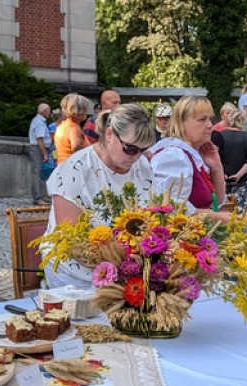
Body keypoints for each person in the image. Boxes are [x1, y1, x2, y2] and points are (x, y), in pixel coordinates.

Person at [44, 104, 156, 288]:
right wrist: (127, 262)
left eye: (143, 150)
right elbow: (73, 243)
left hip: (129, 269)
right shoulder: (74, 170)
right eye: (130, 148)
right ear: (110, 134)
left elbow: (154, 215)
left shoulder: (141, 165)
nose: (136, 157)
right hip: (75, 275)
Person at [151, 96, 231, 219]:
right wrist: (216, 217)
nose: (210, 125)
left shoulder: (193, 154)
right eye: (202, 119)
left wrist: (216, 166)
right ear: (181, 123)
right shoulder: (174, 155)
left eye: (210, 119)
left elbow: (218, 202)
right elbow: (169, 209)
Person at [211, 109, 247, 208]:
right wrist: (238, 175)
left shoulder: (220, 135)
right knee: (238, 211)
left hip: (222, 179)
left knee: (221, 208)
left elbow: (214, 156)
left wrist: (222, 174)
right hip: (241, 180)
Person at [53, 93, 91, 164]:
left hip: (62, 165)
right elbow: (75, 146)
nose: (87, 111)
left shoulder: (61, 126)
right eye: (85, 108)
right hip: (73, 167)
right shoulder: (74, 127)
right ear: (79, 110)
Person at [28, 102, 53, 205]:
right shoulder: (39, 122)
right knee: (38, 173)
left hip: (39, 148)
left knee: (41, 173)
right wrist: (45, 154)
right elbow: (39, 139)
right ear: (44, 111)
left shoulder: (40, 121)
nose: (49, 113)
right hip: (38, 149)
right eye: (48, 111)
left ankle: (42, 195)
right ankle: (38, 197)